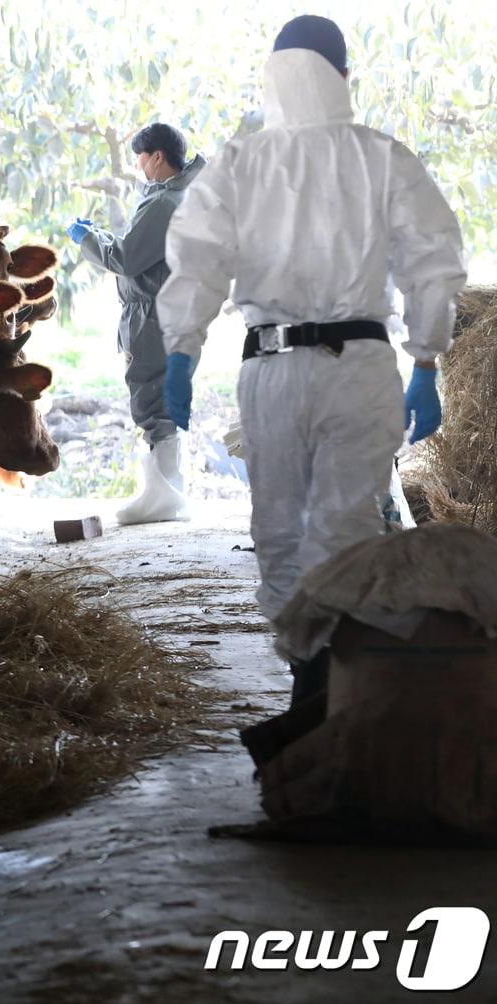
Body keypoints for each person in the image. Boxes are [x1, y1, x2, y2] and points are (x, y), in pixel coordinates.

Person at [156, 15, 466, 714]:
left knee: (279, 531)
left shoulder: (239, 162)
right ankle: (343, 697)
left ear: (271, 77)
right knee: (349, 527)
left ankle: (311, 692)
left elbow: (196, 261)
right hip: (358, 364)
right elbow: (433, 261)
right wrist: (425, 358)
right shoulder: (381, 156)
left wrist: (181, 349)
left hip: (269, 367)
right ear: (344, 79)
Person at [66, 123, 206, 525]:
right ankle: (168, 492)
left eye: (141, 159)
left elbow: (128, 259)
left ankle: (163, 496)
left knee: (151, 398)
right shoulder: (184, 193)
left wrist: (87, 240)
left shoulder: (165, 203)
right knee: (165, 398)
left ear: (157, 156)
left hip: (155, 313)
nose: (140, 167)